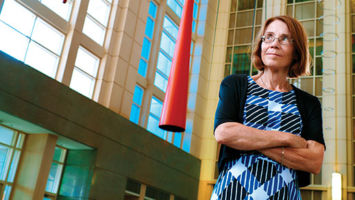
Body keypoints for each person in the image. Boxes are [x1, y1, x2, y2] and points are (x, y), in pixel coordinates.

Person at [210, 15, 325, 200]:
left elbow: (314, 161)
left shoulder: (309, 103)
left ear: (297, 51)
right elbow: (224, 133)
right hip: (231, 193)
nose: (274, 44)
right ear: (261, 45)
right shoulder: (235, 85)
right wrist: (288, 139)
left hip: (284, 195)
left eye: (284, 38)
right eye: (268, 37)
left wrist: (248, 140)